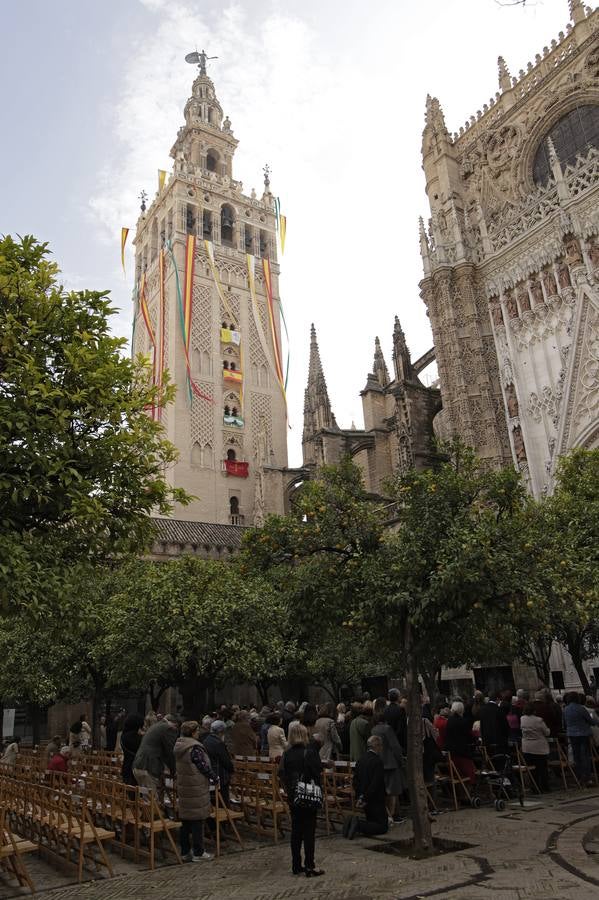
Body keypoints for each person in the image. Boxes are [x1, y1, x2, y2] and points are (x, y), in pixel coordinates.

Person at [279, 721, 324, 877]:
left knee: (296, 831)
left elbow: (281, 774)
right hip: (309, 795)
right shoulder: (309, 752)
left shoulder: (287, 753)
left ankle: (296, 865)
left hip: (294, 796)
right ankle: (310, 865)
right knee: (309, 831)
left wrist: (290, 790)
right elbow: (317, 772)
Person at [174, 721, 216, 862]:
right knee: (198, 820)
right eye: (197, 731)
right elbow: (202, 766)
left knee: (186, 821)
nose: (198, 733)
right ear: (193, 732)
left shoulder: (179, 745)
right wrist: (213, 777)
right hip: (195, 786)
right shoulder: (194, 748)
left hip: (185, 786)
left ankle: (185, 851)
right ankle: (199, 852)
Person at [345, 735, 388, 839]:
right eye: (381, 746)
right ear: (377, 746)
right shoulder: (377, 761)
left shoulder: (361, 759)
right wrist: (365, 797)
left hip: (364, 796)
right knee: (382, 826)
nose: (381, 748)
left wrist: (361, 796)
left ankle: (354, 824)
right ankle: (358, 825)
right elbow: (375, 783)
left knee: (372, 821)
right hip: (375, 798)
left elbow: (356, 780)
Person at [371, 699, 407, 824]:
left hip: (380, 762)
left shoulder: (374, 729)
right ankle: (393, 815)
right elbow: (395, 747)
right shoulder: (387, 729)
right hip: (391, 763)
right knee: (394, 791)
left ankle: (391, 814)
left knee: (386, 791)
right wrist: (401, 760)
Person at [132, 714, 179, 792]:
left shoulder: (156, 726)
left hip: (139, 765)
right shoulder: (168, 728)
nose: (175, 730)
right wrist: (174, 771)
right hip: (148, 767)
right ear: (174, 723)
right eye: (176, 727)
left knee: (146, 798)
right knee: (151, 800)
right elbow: (170, 752)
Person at [564, 692, 594, 786]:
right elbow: (590, 720)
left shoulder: (566, 709)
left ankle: (579, 777)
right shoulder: (581, 708)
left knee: (577, 756)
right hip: (583, 733)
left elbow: (564, 723)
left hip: (572, 734)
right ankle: (587, 778)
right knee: (585, 756)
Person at [202, 720, 234, 806]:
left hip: (210, 772)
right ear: (221, 732)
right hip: (220, 773)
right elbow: (225, 761)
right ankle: (223, 815)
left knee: (212, 797)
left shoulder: (206, 740)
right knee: (222, 798)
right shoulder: (218, 743)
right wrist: (231, 769)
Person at [520, 702, 550, 792]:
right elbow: (546, 732)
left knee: (532, 770)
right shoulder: (538, 720)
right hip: (539, 747)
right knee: (542, 768)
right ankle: (544, 787)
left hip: (527, 747)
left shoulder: (522, 718)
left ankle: (534, 787)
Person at [444, 701, 476, 785]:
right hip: (461, 751)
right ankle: (471, 786)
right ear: (462, 710)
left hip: (451, 751)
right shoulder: (462, 721)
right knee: (469, 769)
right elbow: (468, 736)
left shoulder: (449, 720)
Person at [120, 714, 144, 786]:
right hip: (132, 768)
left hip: (127, 767)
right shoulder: (131, 736)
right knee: (134, 792)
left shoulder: (125, 734)